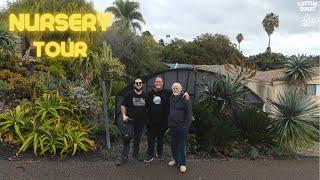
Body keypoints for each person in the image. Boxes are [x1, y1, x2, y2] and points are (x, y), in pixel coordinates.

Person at [144, 77, 189, 163]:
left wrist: (185, 93)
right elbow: (146, 107)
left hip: (163, 122)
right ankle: (150, 155)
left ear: (162, 83)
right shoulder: (149, 94)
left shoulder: (167, 93)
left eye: (160, 81)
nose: (158, 83)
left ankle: (159, 153)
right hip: (151, 122)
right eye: (156, 81)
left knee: (161, 138)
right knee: (151, 139)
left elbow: (177, 92)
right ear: (154, 83)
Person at [116, 78, 147, 166]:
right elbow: (123, 105)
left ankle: (135, 154)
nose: (138, 84)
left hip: (141, 122)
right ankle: (124, 157)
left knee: (137, 139)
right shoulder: (129, 95)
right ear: (134, 85)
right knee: (127, 138)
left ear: (142, 84)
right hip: (130, 122)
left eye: (140, 83)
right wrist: (124, 115)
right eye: (136, 83)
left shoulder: (145, 96)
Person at [167, 83, 193, 173]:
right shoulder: (171, 98)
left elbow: (189, 113)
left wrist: (186, 125)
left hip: (182, 127)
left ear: (181, 89)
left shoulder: (185, 99)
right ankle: (175, 160)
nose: (175, 89)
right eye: (173, 88)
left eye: (177, 88)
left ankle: (182, 164)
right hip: (172, 126)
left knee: (182, 146)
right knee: (173, 144)